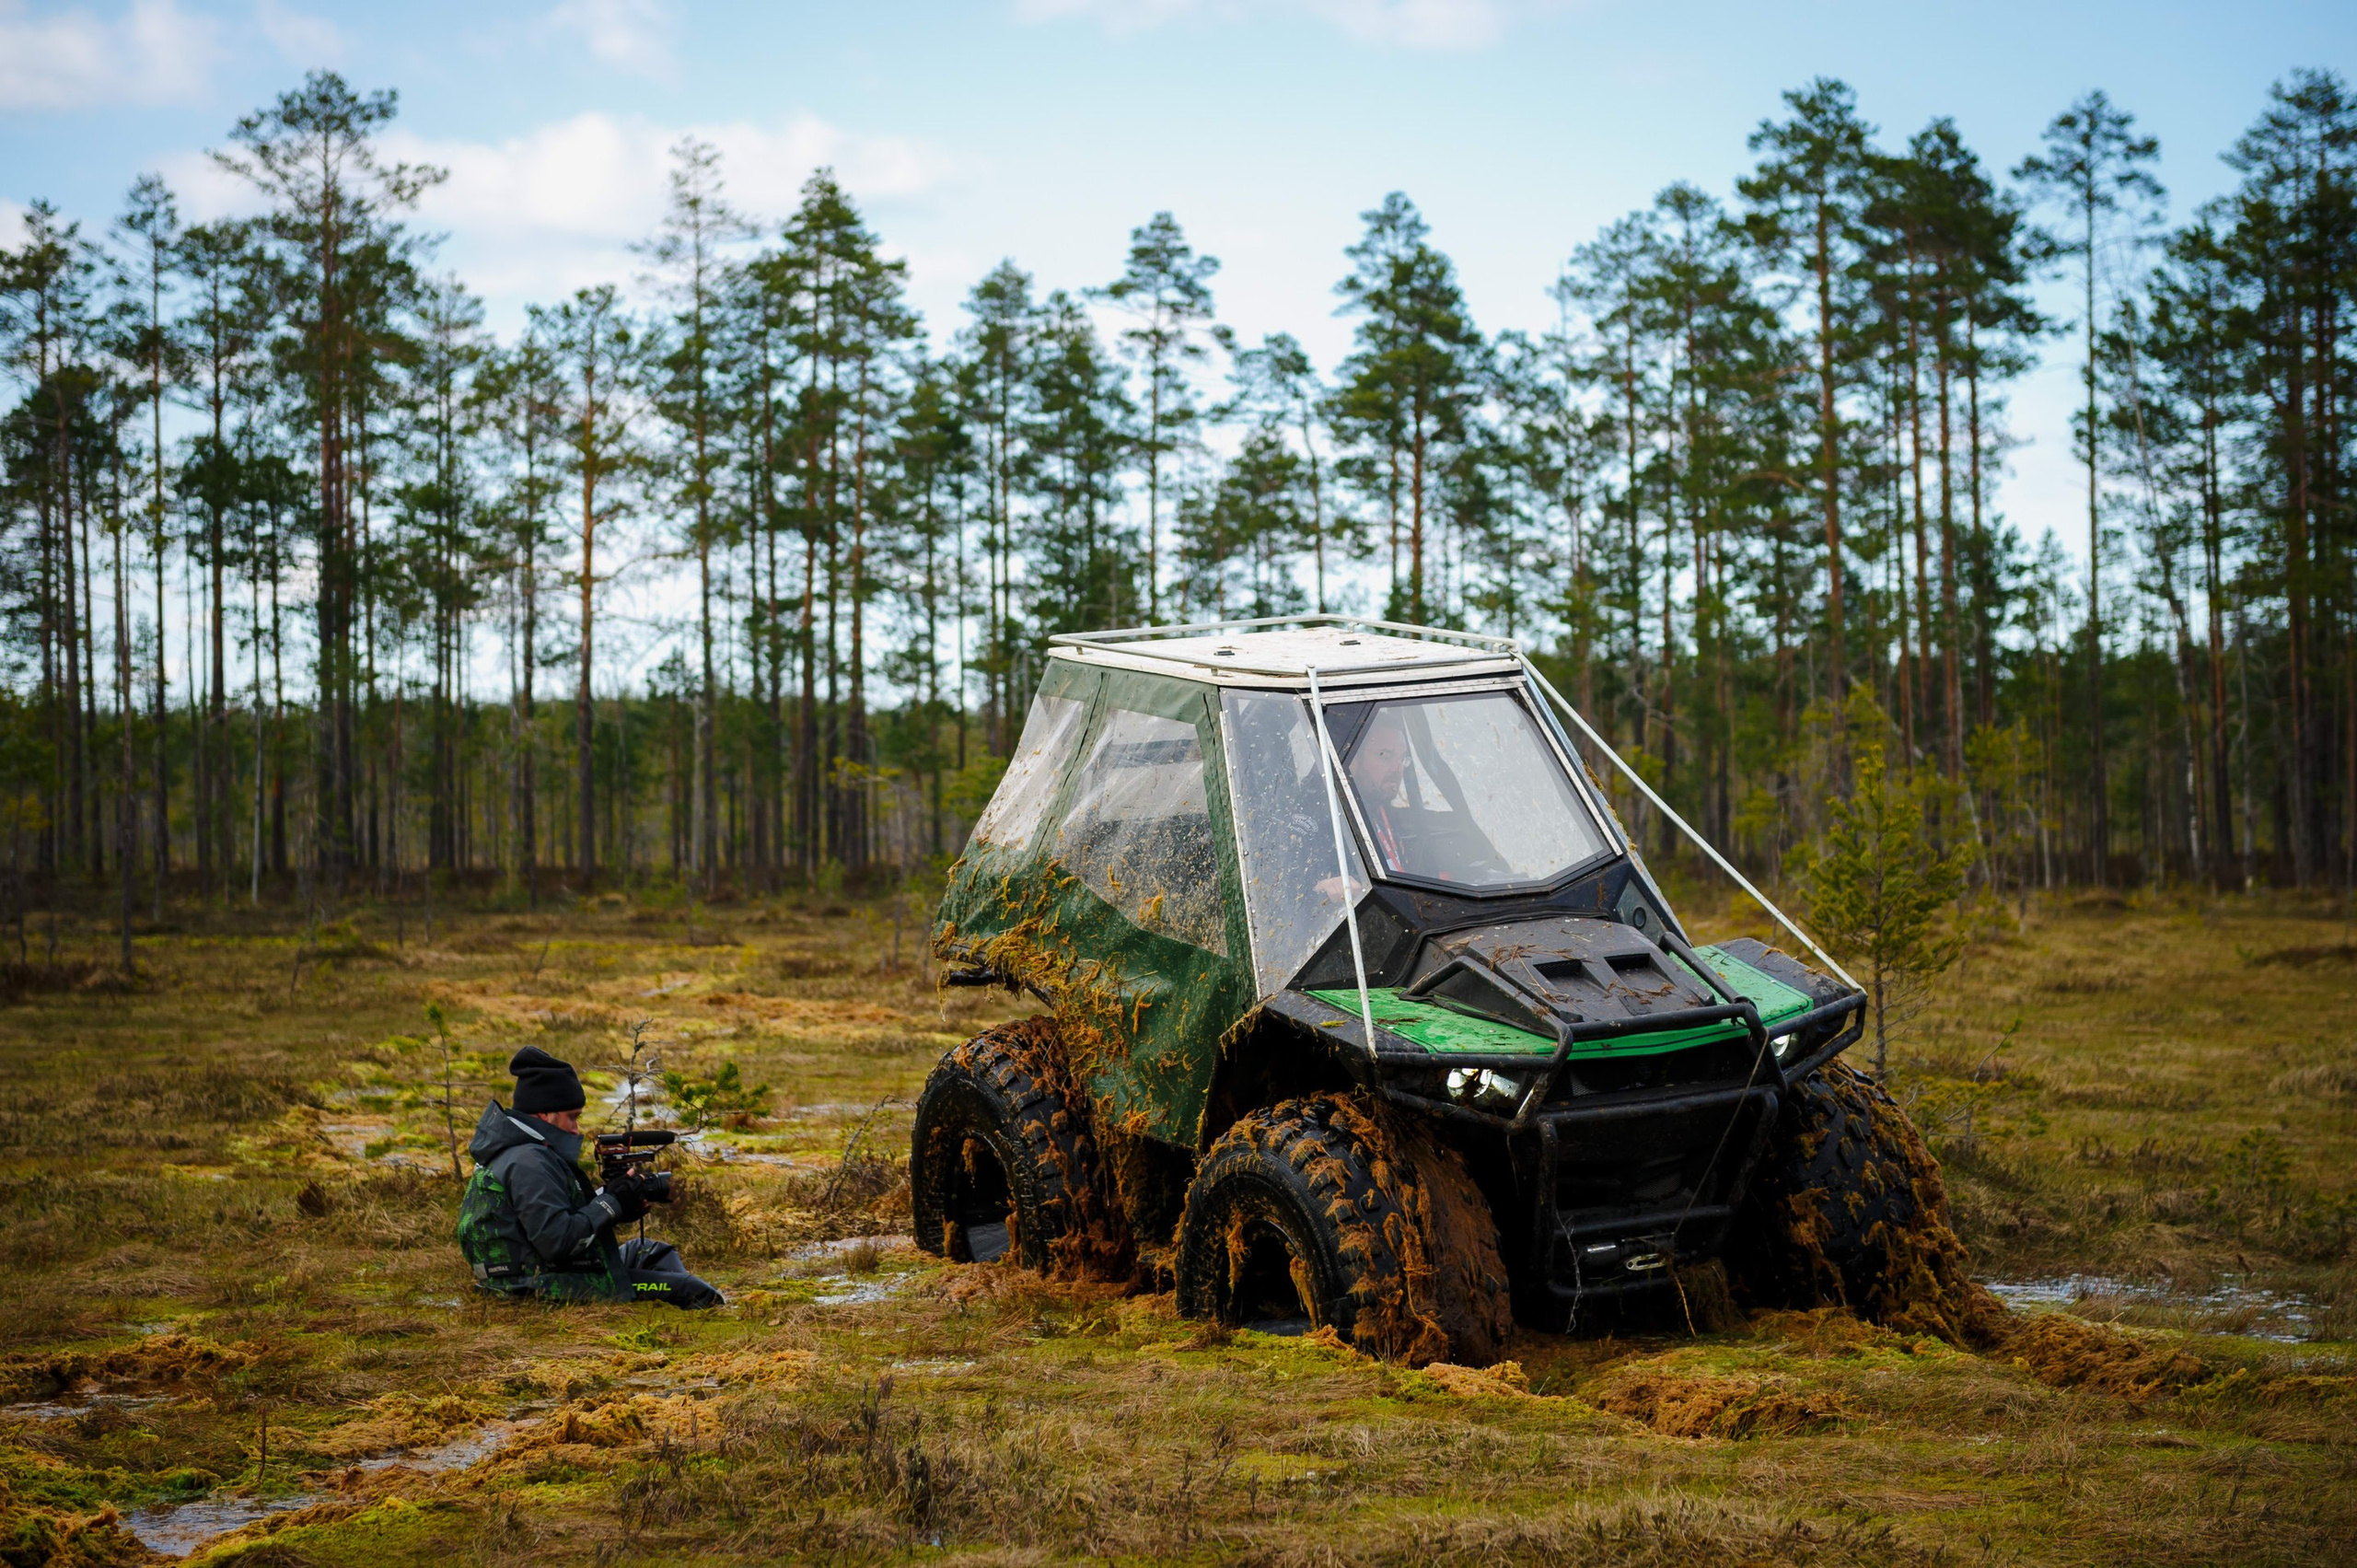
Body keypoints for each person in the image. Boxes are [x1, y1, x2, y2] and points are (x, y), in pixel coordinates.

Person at [457, 1047, 724, 1308]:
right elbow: (558, 1242)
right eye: (572, 1118)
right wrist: (610, 1202)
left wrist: (618, 1205)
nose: (576, 1129)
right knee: (695, 1291)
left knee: (652, 1251)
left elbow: (557, 1221)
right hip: (540, 1288)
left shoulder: (522, 1152)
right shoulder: (528, 1162)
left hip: (537, 1275)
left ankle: (658, 1310)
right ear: (544, 1114)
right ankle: (677, 1314)